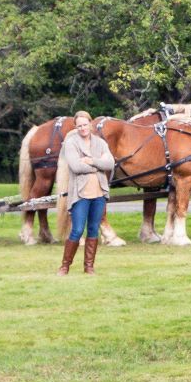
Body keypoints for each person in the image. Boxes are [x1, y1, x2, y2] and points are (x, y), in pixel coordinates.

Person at [59, 110, 114, 276]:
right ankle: (65, 266)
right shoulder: (71, 143)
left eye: (85, 124)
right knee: (77, 230)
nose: (82, 128)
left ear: (90, 124)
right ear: (75, 127)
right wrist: (99, 164)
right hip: (80, 194)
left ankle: (89, 267)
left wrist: (91, 161)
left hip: (99, 193)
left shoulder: (100, 143)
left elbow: (110, 163)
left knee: (93, 230)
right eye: (79, 125)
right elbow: (75, 166)